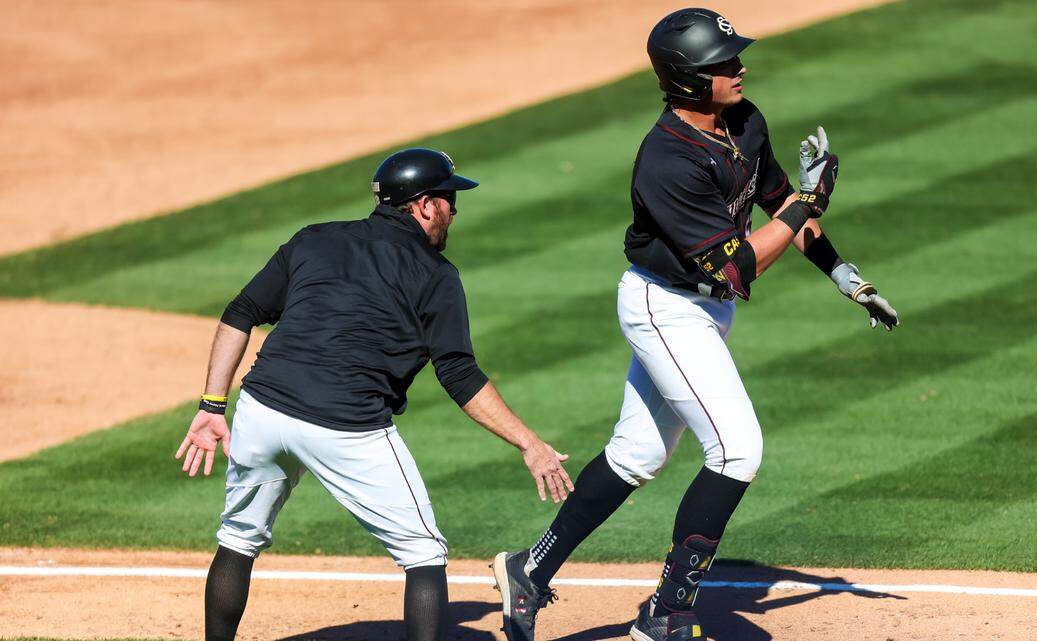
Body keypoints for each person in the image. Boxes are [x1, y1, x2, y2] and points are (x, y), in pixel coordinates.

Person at [491, 9, 898, 641]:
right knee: (738, 451)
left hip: (707, 309)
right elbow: (739, 267)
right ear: (686, 80)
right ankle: (667, 612)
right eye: (722, 64)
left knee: (639, 453)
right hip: (666, 307)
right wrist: (804, 206)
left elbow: (777, 203)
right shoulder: (666, 162)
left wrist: (845, 274)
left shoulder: (744, 120)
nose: (739, 68)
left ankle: (530, 568)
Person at [174, 148, 575, 641]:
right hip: (348, 427)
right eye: (450, 199)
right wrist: (528, 442)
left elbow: (241, 312)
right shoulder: (436, 275)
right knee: (424, 555)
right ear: (424, 205)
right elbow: (459, 375)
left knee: (237, 539)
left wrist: (213, 406)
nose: (455, 210)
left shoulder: (314, 239)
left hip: (262, 408)